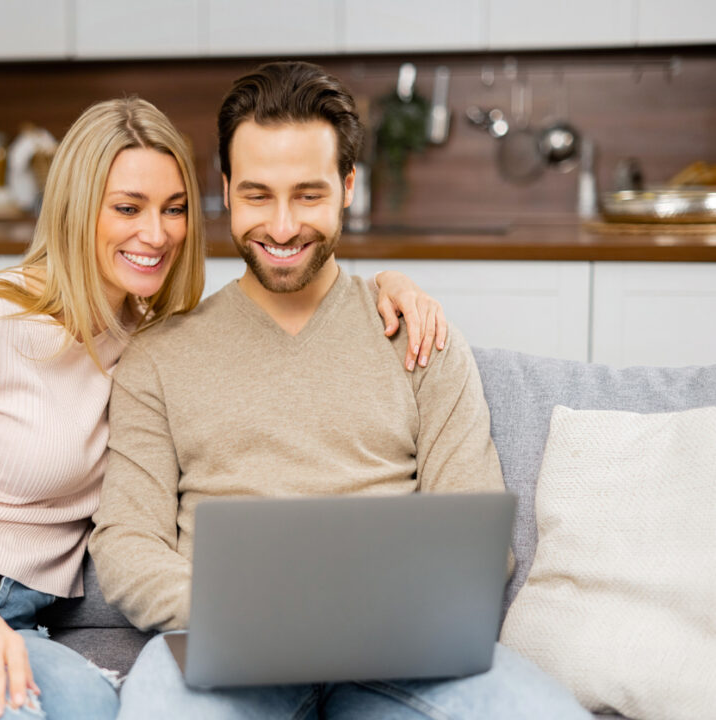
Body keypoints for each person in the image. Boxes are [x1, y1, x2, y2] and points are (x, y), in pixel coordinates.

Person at [0, 95, 446, 720]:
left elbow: (278, 290)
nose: (155, 233)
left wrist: (383, 287)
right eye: (128, 208)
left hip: (21, 612)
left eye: (172, 208)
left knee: (98, 710)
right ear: (80, 210)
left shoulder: (154, 342)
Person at [88, 62, 592, 719]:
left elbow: (476, 536)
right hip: (224, 650)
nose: (283, 225)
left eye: (308, 194)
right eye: (259, 194)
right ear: (227, 188)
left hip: (402, 653)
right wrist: (246, 613)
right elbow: (127, 542)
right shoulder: (159, 358)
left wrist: (380, 612)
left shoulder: (420, 338)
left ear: (348, 186)